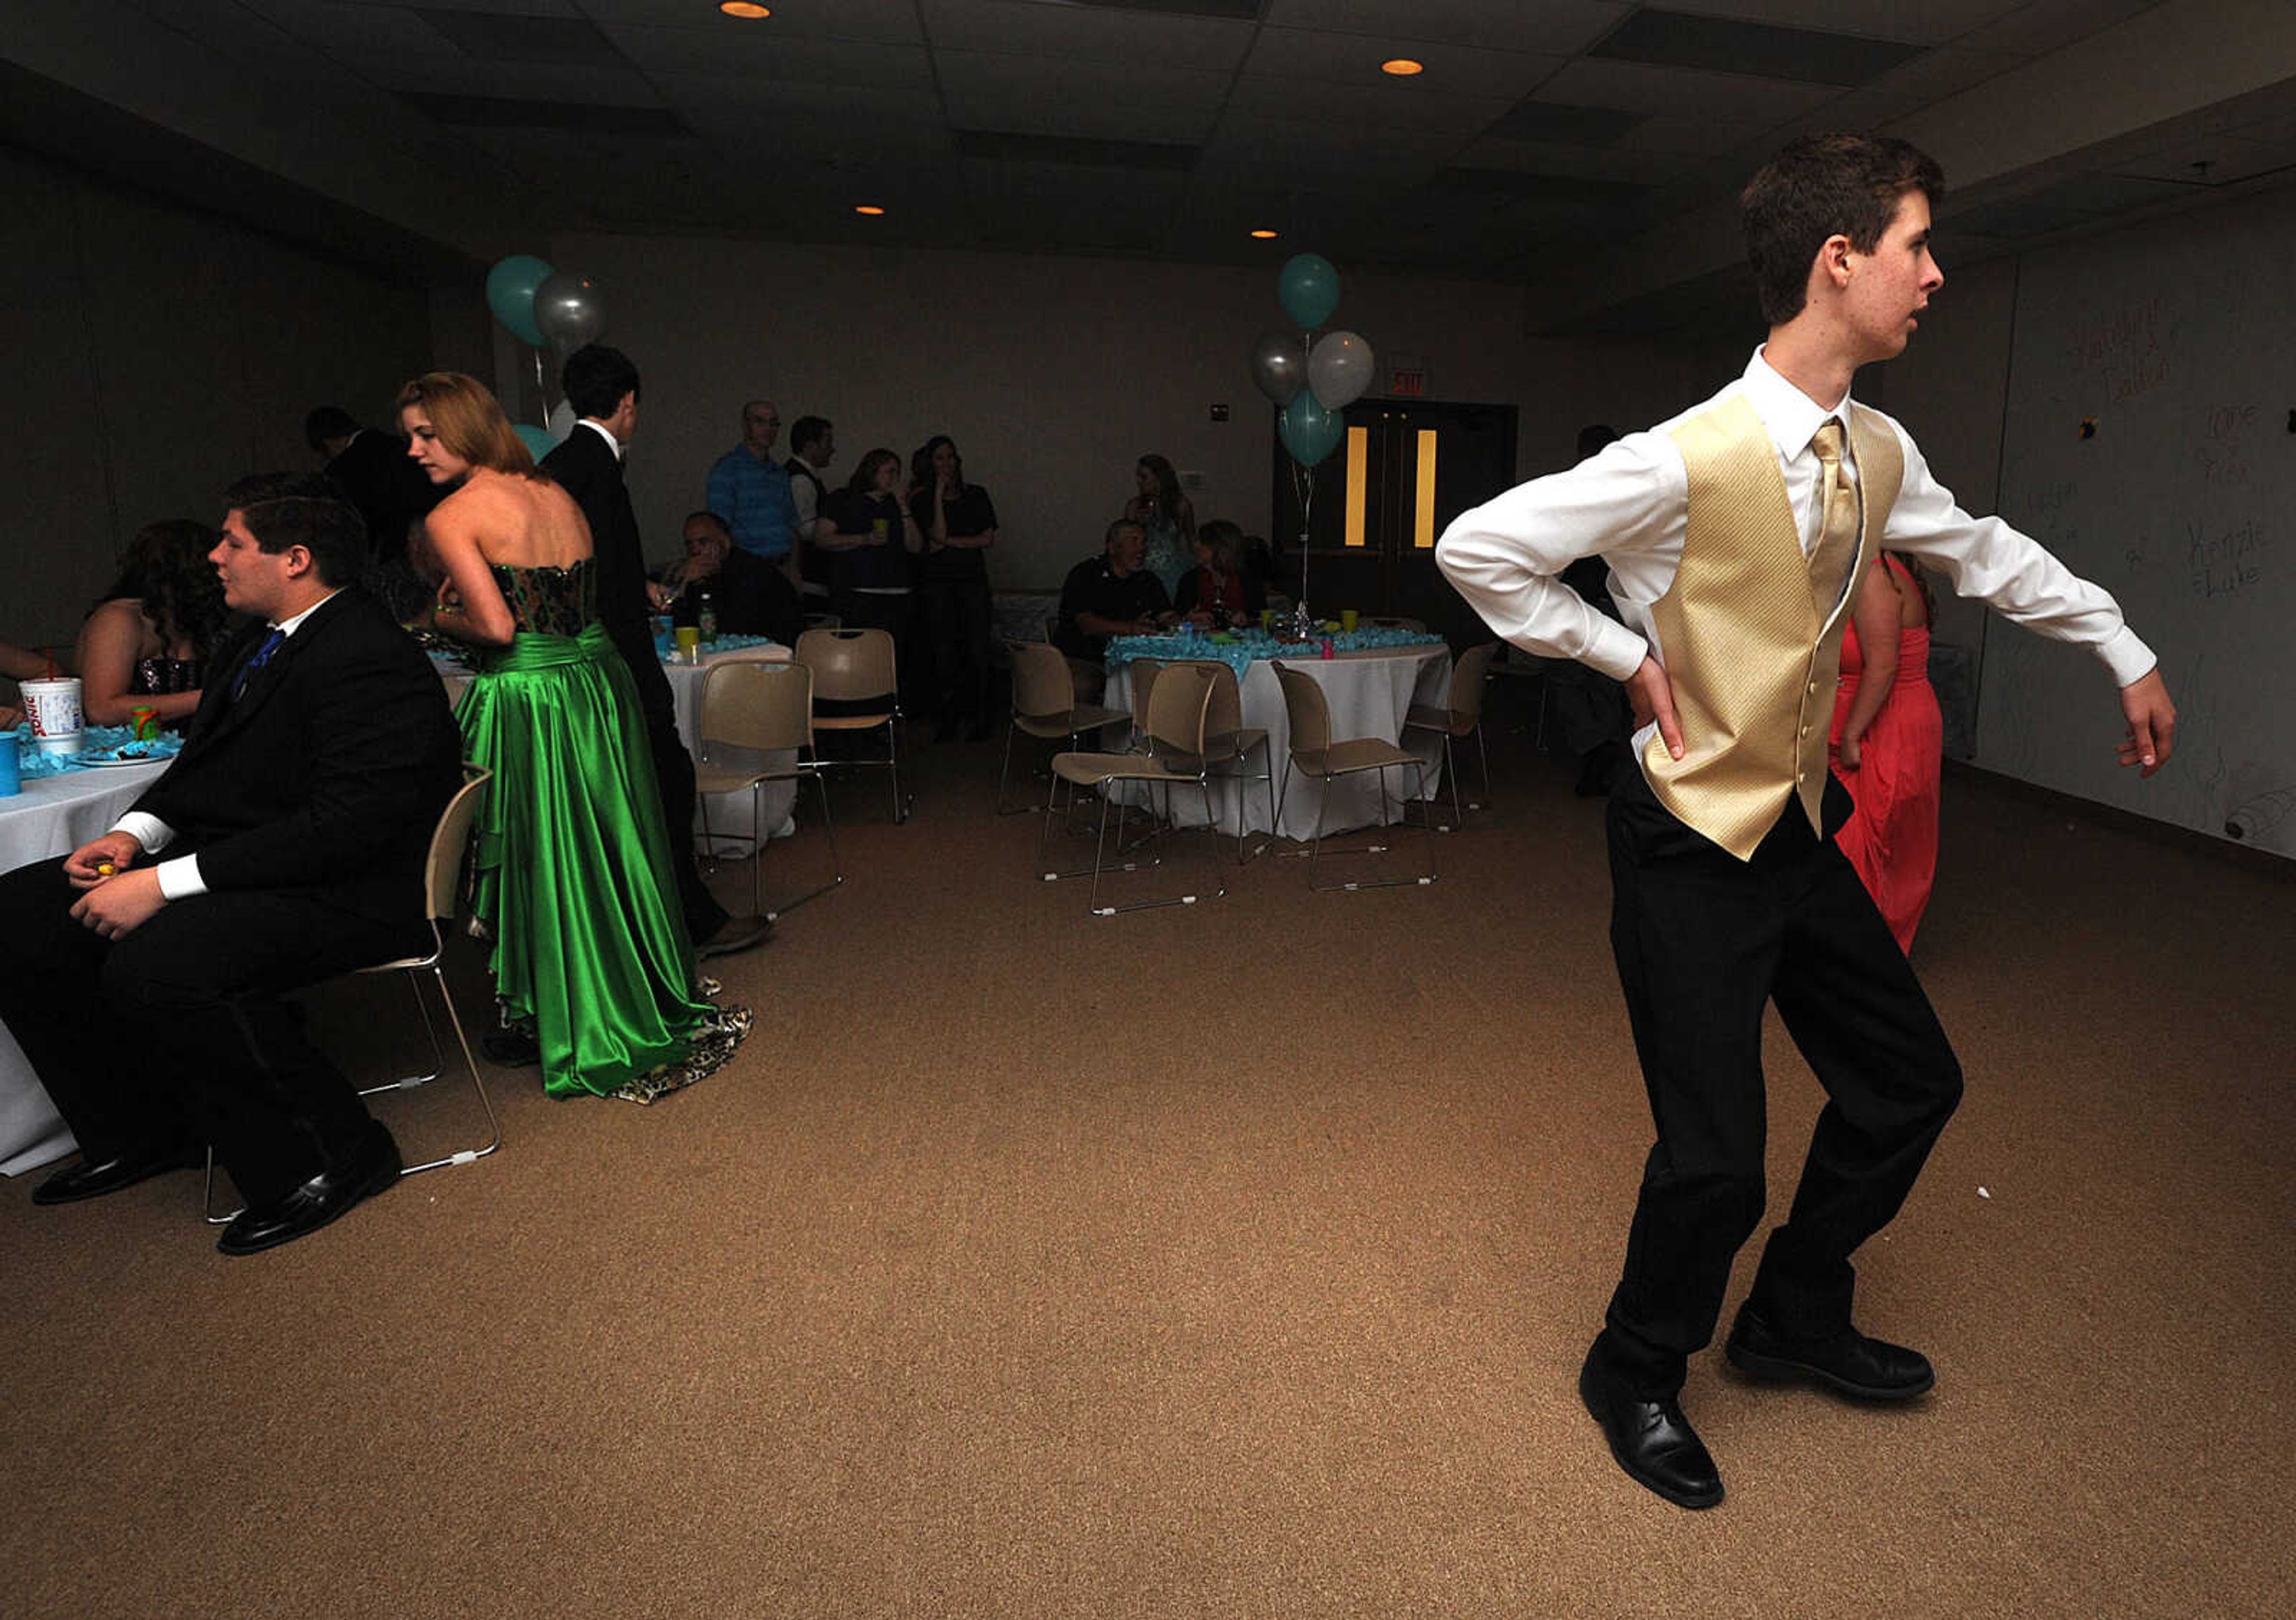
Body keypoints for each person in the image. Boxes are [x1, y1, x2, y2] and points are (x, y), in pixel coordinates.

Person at [1436, 132, 2176, 1511]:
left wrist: (2118, 646)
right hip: (1679, 838)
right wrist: (1619, 656)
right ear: (1838, 264)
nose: (1933, 274)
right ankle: (1632, 1364)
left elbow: (1987, 552)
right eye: (1913, 247)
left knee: (1910, 1083)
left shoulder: (1875, 450)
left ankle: (1788, 1313)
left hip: (1788, 821)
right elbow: (1476, 548)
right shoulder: (1677, 460)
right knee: (1715, 1155)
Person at [0, 474, 462, 1254]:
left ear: (296, 560)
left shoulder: (365, 653)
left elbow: (345, 827)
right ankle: (142, 1129)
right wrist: (137, 838)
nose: (214, 556)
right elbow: (204, 766)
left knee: (160, 961)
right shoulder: (255, 639)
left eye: (233, 542)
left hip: (352, 888)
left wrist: (163, 883)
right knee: (20, 913)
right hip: (268, 861)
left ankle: (335, 1155)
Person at [400, 371, 752, 1102]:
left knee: (543, 853)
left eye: (425, 434)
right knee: (606, 843)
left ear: (464, 427)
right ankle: (609, 987)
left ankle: (557, 1009)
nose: (413, 450)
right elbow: (585, 605)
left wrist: (439, 620)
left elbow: (497, 629)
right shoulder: (557, 495)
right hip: (597, 681)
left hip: (532, 695)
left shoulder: (454, 513)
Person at [541, 346, 768, 964]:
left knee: (647, 788)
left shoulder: (560, 463)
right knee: (665, 782)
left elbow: (585, 559)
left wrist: (631, 581)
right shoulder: (597, 466)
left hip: (590, 650)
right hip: (615, 658)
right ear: (629, 404)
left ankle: (664, 917)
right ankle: (687, 921)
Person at [1831, 552, 1943, 954]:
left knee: (1865, 843)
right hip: (1887, 717)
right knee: (1874, 843)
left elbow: (1882, 667)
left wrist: (1850, 736)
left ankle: (1866, 958)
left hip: (1887, 724)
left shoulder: (1874, 575)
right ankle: (1863, 955)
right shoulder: (1872, 569)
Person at [74, 519, 236, 728]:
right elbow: (102, 710)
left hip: (192, 750)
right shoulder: (119, 618)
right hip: (127, 755)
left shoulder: (197, 621)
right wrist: (212, 697)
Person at [910, 435, 998, 741]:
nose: (946, 464)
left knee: (977, 648)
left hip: (972, 581)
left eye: (950, 457)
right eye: (939, 458)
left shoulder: (976, 495)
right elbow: (935, 538)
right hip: (938, 583)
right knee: (942, 650)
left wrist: (952, 544)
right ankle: (947, 717)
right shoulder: (921, 498)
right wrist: (937, 493)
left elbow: (987, 538)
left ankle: (980, 717)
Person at [305, 405, 439, 566]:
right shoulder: (399, 445)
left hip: (392, 554)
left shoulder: (342, 468)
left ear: (327, 444)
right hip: (434, 536)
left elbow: (356, 526)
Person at [817, 448, 922, 640]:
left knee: (893, 656)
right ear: (872, 471)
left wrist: (903, 506)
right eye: (890, 472)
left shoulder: (897, 504)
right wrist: (864, 539)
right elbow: (822, 538)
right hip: (859, 593)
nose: (895, 478)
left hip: (899, 593)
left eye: (898, 473)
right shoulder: (843, 499)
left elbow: (915, 547)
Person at [658, 510, 801, 644]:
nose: (695, 550)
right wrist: (683, 585)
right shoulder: (697, 575)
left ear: (725, 542)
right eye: (689, 544)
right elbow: (677, 628)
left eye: (703, 542)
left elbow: (732, 628)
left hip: (770, 654)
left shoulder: (751, 572)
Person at [706, 399, 801, 584]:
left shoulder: (779, 473)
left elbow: (792, 527)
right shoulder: (728, 470)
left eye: (773, 423)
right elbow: (718, 530)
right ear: (745, 425)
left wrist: (795, 568)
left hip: (782, 569)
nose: (768, 429)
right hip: (748, 572)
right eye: (760, 421)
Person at [1055, 518, 1171, 662]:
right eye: (1133, 541)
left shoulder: (1148, 580)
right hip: (1086, 659)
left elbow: (1166, 616)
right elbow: (1087, 624)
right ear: (1113, 547)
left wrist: (1186, 623)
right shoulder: (1086, 574)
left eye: (1144, 542)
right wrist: (1130, 629)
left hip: (1137, 660)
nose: (1141, 549)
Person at [783, 415, 836, 612]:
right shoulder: (801, 481)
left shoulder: (803, 477)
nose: (832, 449)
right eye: (827, 442)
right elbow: (801, 529)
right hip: (806, 574)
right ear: (810, 446)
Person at [1124, 453, 1196, 598]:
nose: (1139, 482)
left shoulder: (1181, 505)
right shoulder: (1135, 506)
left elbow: (1192, 540)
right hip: (1143, 567)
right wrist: (1139, 525)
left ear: (1159, 478)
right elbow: (1126, 541)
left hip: (1173, 568)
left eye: (1144, 477)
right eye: (1138, 477)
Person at [1171, 518, 1265, 629]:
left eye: (1202, 542)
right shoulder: (1190, 580)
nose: (1196, 545)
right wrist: (1188, 619)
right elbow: (1174, 621)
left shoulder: (1247, 579)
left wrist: (1246, 619)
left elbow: (1262, 617)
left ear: (1221, 549)